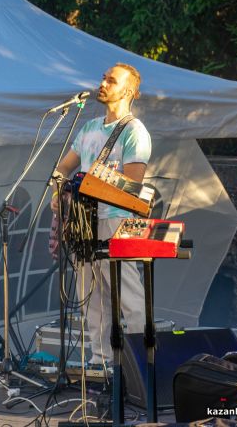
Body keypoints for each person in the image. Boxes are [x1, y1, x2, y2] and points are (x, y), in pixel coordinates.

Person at [51, 62, 152, 365]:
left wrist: (100, 179)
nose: (103, 83)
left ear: (129, 91)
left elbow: (133, 187)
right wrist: (58, 192)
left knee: (128, 296)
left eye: (112, 80)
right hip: (85, 220)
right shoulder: (89, 128)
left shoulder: (134, 131)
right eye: (103, 77)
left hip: (117, 220)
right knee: (91, 296)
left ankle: (142, 364)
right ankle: (101, 362)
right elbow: (64, 167)